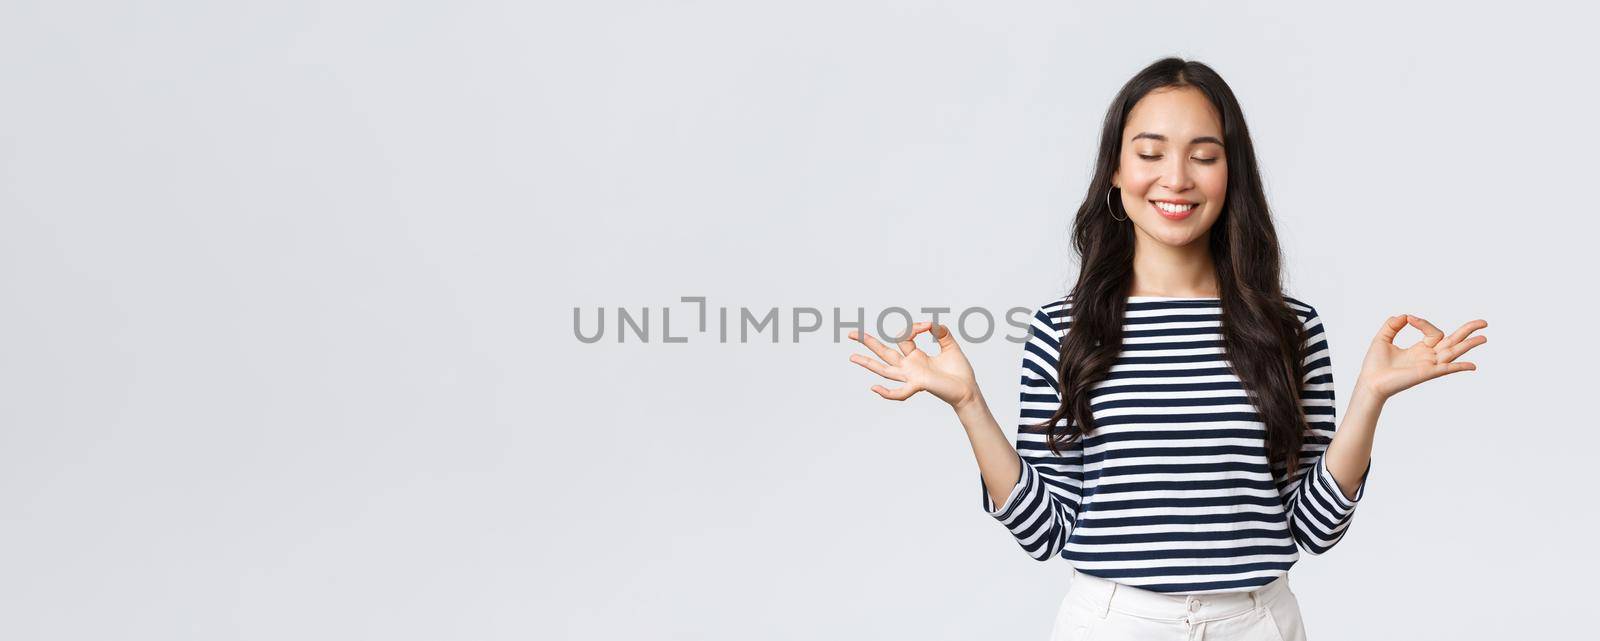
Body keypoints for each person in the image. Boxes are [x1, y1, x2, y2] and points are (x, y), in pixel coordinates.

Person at [845, 57, 1488, 640]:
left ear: (1232, 174)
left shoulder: (1289, 329)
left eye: (1204, 155)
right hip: (1113, 623)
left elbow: (1313, 528)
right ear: (1116, 173)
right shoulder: (1063, 330)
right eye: (1150, 152)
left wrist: (1369, 400)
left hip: (1258, 623)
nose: (1175, 178)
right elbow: (1047, 531)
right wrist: (968, 404)